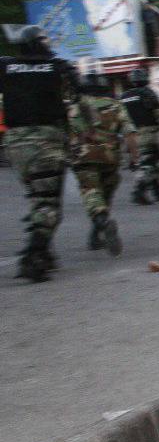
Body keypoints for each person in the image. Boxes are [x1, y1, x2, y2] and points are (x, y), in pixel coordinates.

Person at [0, 26, 79, 282]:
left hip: (15, 144)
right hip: (46, 142)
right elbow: (76, 97)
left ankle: (45, 254)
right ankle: (32, 258)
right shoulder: (58, 67)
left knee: (39, 199)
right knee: (48, 204)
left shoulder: (6, 65)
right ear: (37, 43)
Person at [70, 73, 138, 256]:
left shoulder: (75, 107)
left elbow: (67, 133)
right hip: (110, 157)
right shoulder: (116, 105)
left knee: (92, 193)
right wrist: (134, 158)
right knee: (105, 196)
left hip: (84, 157)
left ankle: (103, 223)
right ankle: (95, 236)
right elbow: (130, 134)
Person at [121, 66, 159, 205]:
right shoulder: (147, 92)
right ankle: (139, 190)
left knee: (147, 160)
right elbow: (157, 111)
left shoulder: (124, 96)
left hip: (130, 134)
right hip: (148, 131)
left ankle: (158, 190)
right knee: (153, 161)